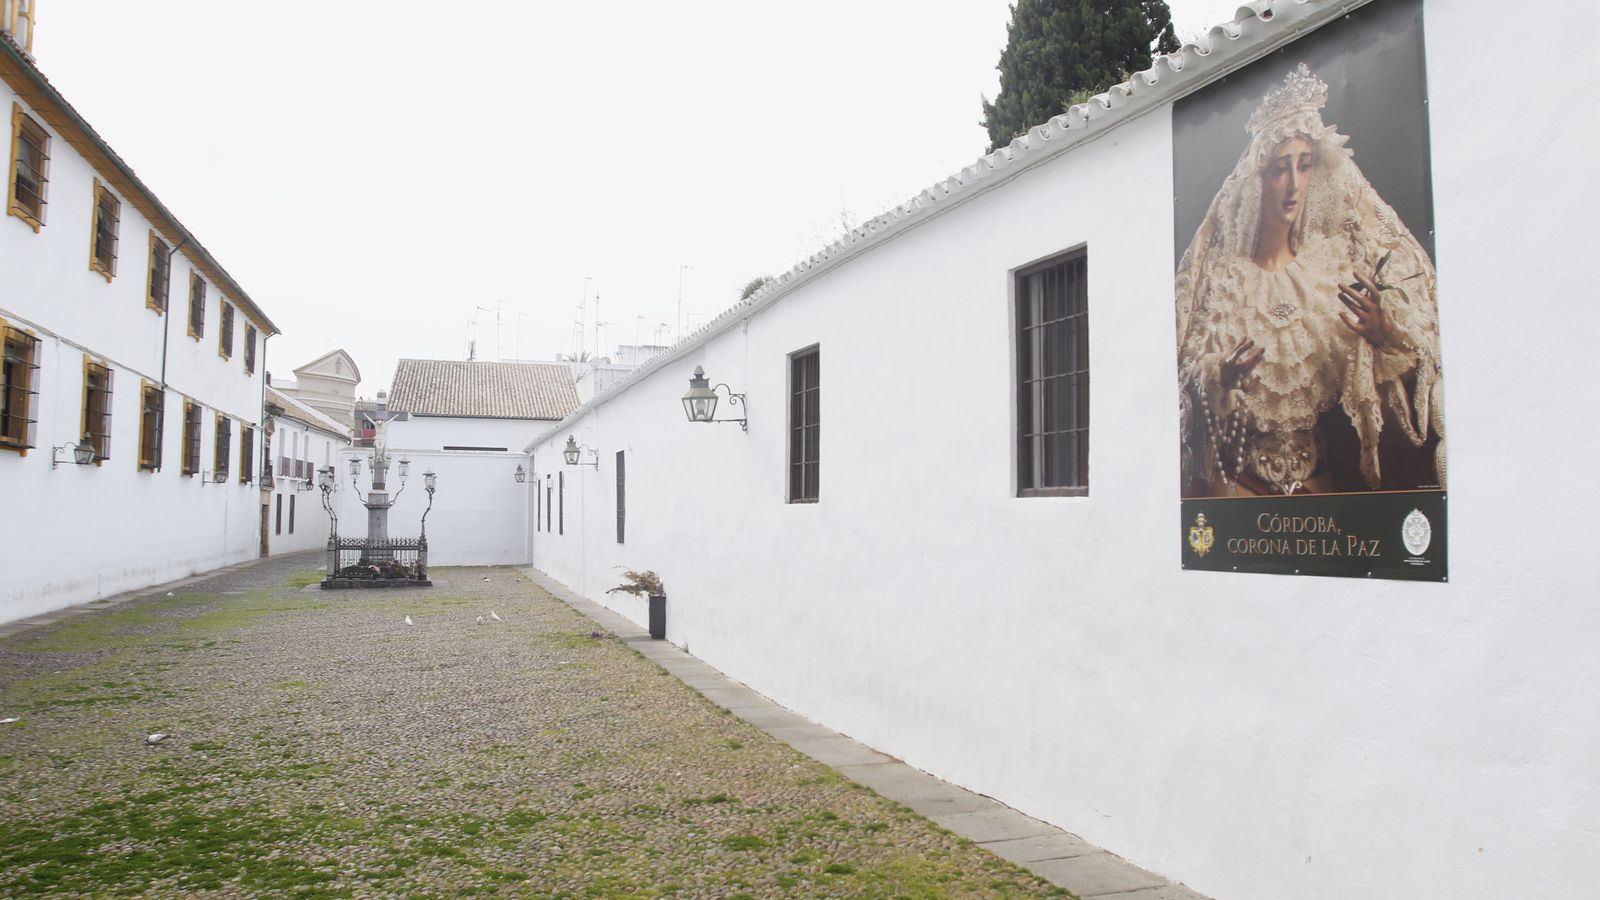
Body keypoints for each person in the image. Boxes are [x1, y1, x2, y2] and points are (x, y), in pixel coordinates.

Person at [1175, 64, 1445, 498]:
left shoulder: (1331, 266)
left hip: (1324, 487)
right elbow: (1185, 379)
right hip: (1239, 489)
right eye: (1281, 168)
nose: (1294, 185)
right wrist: (1219, 377)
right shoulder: (1225, 277)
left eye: (1304, 166)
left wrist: (1383, 336)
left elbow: (1385, 379)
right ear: (1258, 179)